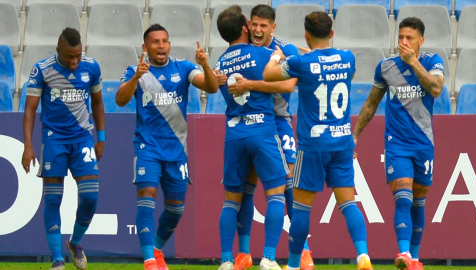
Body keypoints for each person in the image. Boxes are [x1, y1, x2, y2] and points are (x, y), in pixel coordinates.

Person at [263, 11, 373, 270]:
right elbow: (327, 67)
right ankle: (362, 255)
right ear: (331, 34)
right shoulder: (348, 58)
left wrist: (276, 55)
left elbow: (269, 74)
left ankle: (292, 265)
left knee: (301, 209)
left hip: (312, 145)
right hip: (342, 142)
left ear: (306, 34)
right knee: (348, 203)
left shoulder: (301, 63)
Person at [116, 24, 218, 270]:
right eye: (155, 42)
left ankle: (157, 250)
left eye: (165, 41)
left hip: (177, 152)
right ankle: (148, 260)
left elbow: (212, 87)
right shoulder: (135, 71)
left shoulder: (182, 68)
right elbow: (120, 100)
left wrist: (204, 64)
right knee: (146, 197)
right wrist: (136, 78)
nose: (161, 46)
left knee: (175, 210)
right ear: (145, 47)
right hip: (147, 148)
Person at [223, 4, 313, 270]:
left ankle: (302, 250)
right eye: (254, 24)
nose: (258, 30)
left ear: (273, 27)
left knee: (289, 184)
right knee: (245, 189)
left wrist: (251, 84)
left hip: (278, 120)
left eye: (264, 25)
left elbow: (293, 80)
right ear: (247, 25)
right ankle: (244, 254)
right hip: (249, 122)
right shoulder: (243, 48)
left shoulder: (285, 50)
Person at [353, 17, 444, 270]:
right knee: (402, 197)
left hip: (424, 143)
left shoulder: (432, 62)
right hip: (397, 144)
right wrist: (356, 135)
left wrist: (413, 62)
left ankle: (414, 258)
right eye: (400, 37)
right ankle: (403, 253)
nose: (403, 42)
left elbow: (436, 89)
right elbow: (371, 103)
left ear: (420, 41)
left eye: (409, 38)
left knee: (418, 201)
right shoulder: (385, 67)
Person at [21, 27, 105, 270]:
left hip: (82, 139)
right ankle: (57, 259)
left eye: (78, 55)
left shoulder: (91, 67)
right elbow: (29, 110)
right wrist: (28, 145)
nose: (74, 61)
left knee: (90, 197)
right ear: (58, 50)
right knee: (53, 200)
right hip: (54, 140)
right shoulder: (42, 69)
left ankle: (75, 243)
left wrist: (101, 138)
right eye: (69, 56)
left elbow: (98, 103)